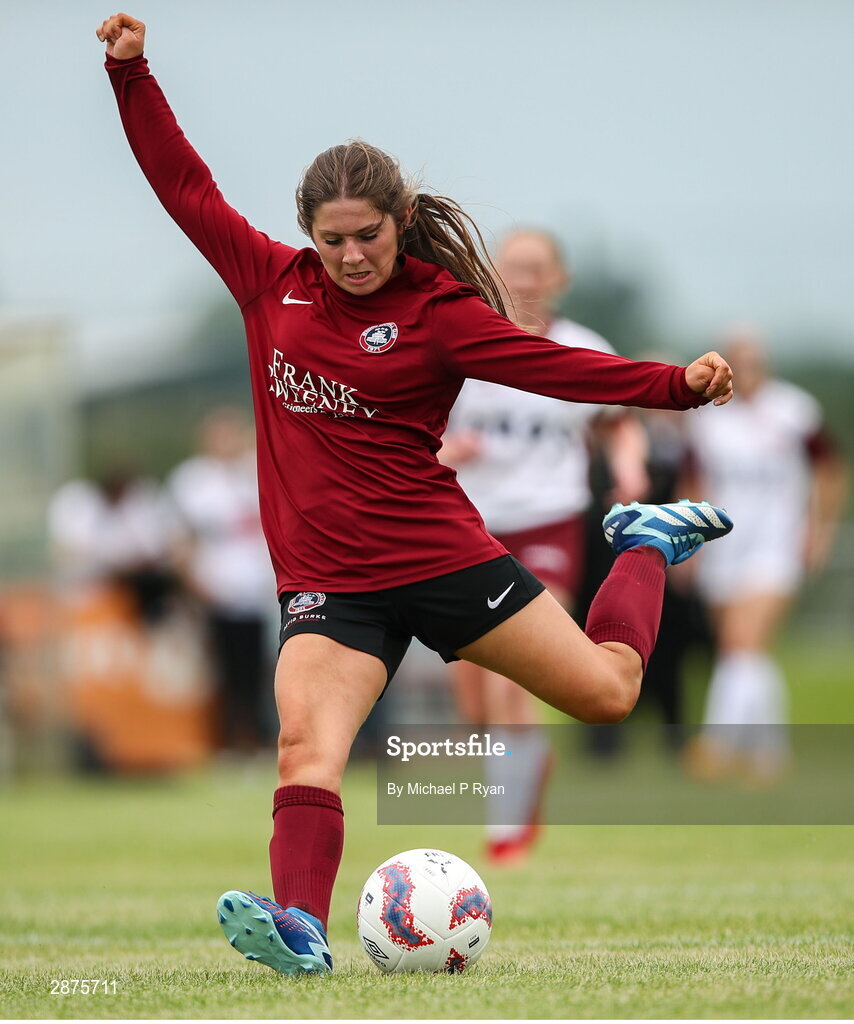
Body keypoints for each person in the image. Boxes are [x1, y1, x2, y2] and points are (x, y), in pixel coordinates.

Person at [96, 12, 734, 977]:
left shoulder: (440, 314)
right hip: (330, 584)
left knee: (609, 692)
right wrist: (133, 75)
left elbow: (551, 367)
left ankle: (644, 541)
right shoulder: (271, 285)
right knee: (305, 745)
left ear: (399, 224)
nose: (353, 256)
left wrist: (673, 387)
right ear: (307, 234)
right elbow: (183, 185)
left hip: (442, 560)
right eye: (333, 239)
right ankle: (302, 931)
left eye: (369, 236)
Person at [440, 229, 650, 864]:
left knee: (515, 677)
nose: (525, 280)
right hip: (468, 526)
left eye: (538, 269)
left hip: (548, 524)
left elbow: (619, 421)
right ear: (493, 274)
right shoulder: (461, 339)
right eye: (515, 268)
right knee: (474, 696)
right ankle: (525, 764)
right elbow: (415, 440)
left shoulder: (584, 348)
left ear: (560, 278)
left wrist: (631, 469)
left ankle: (509, 825)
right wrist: (452, 452)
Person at [682, 328, 846, 783]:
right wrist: (690, 543)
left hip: (777, 544)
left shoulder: (793, 411)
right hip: (723, 546)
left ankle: (717, 744)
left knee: (740, 644)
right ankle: (770, 752)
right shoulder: (706, 419)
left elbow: (829, 469)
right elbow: (694, 484)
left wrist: (820, 527)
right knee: (746, 654)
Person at [168, 407, 277, 754]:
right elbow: (179, 540)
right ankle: (226, 743)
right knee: (225, 673)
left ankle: (259, 741)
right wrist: (196, 586)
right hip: (218, 593)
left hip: (261, 593)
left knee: (264, 671)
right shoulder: (193, 480)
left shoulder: (256, 471)